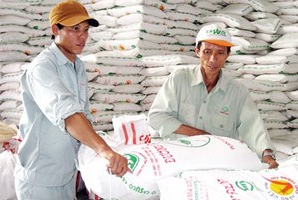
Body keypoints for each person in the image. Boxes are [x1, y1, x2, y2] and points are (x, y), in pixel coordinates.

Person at [14, 1, 129, 199]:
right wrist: (105, 151)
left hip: (66, 175)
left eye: (85, 29)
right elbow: (69, 114)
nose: (83, 36)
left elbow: (83, 115)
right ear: (55, 29)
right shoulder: (42, 68)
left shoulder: (77, 66)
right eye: (75, 29)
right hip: (41, 178)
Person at [147, 23, 279, 169]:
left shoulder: (237, 92)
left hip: (216, 162)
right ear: (197, 51)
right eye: (207, 52)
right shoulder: (179, 79)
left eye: (220, 53)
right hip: (176, 157)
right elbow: (156, 117)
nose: (213, 59)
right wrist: (199, 134)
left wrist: (267, 154)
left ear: (228, 55)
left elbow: (253, 126)